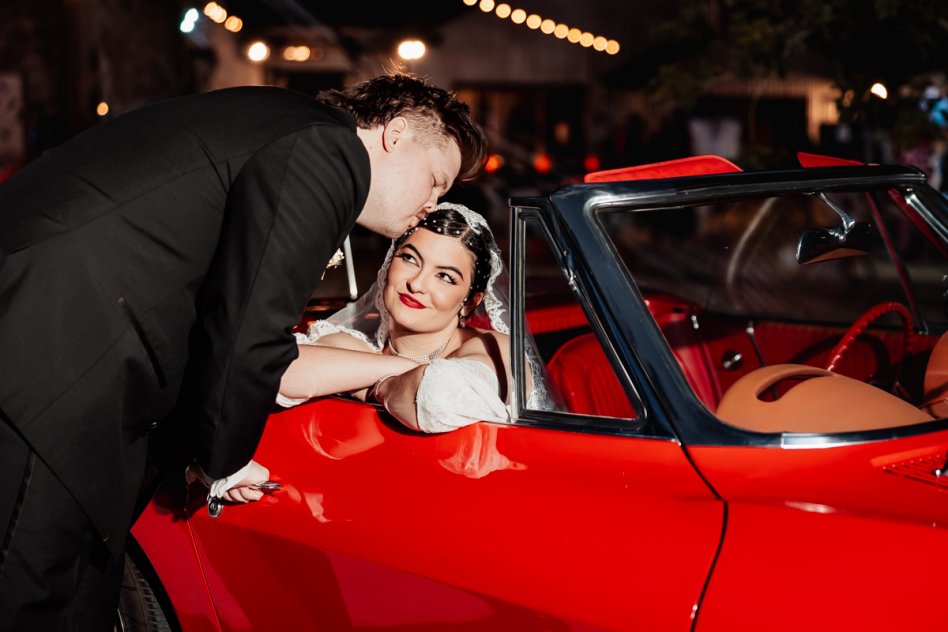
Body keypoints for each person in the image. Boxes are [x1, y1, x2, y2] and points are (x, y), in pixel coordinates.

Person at [0, 74, 486, 630]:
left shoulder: (283, 123)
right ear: (395, 134)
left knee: (77, 596)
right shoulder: (326, 150)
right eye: (435, 181)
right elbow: (250, 325)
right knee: (25, 596)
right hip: (46, 359)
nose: (431, 205)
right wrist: (223, 460)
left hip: (79, 369)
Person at [276, 203, 548, 431]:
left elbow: (442, 396)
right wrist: (401, 368)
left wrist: (374, 387)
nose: (416, 284)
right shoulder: (360, 345)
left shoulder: (495, 348)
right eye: (409, 259)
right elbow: (275, 367)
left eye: (445, 277)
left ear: (470, 303)